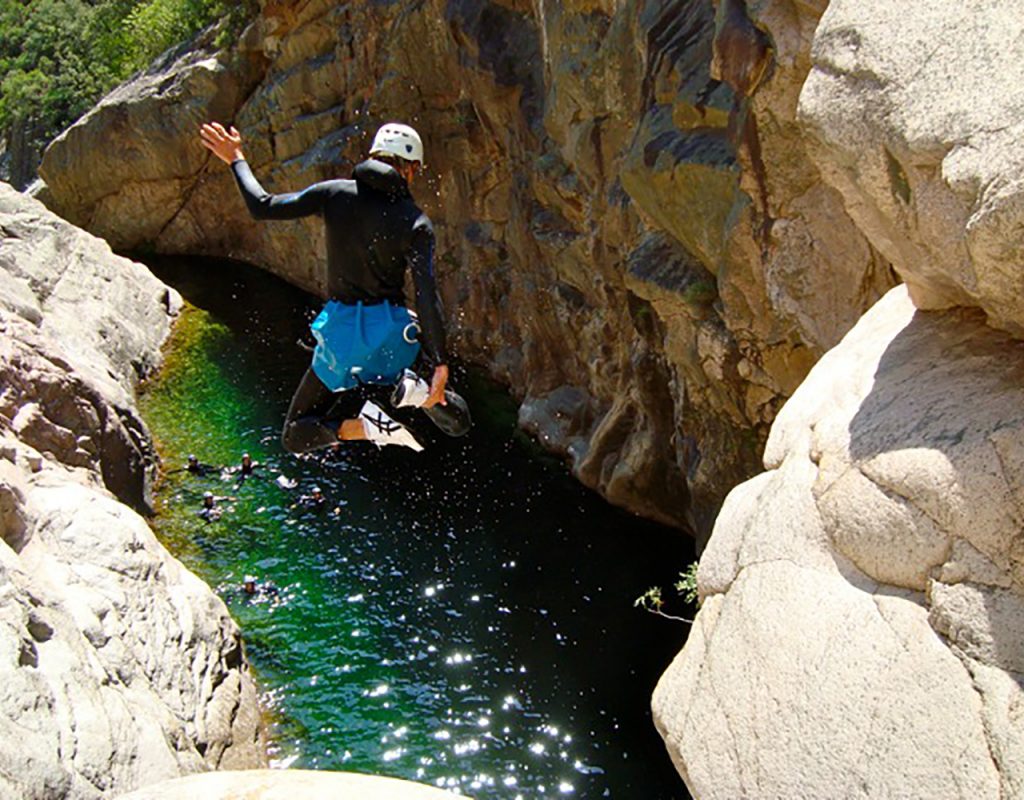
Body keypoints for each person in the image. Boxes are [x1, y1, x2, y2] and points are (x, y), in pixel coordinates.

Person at [199, 119, 470, 453]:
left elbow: (262, 205)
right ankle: (419, 393)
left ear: (374, 155)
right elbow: (428, 296)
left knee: (295, 434)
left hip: (342, 342)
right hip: (394, 337)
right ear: (410, 169)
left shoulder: (334, 194)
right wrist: (439, 362)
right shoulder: (416, 222)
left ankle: (364, 428)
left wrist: (235, 158)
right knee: (458, 423)